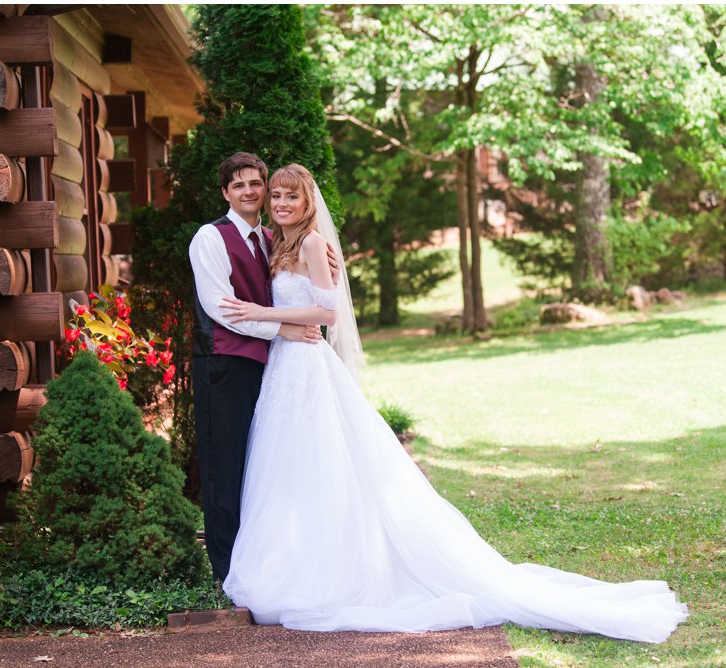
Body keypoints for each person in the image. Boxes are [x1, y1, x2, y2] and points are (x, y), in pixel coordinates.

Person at [220, 164, 688, 642]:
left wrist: (263, 312)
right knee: (289, 467)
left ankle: (325, 572)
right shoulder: (280, 243)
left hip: (308, 370)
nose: (279, 203)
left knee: (319, 462)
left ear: (307, 202)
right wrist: (276, 321)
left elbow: (327, 311)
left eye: (289, 197)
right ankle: (291, 562)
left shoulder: (314, 243)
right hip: (284, 367)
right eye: (274, 195)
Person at [188, 152, 336, 583]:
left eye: (256, 184)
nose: (250, 192)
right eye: (239, 185)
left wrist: (327, 267)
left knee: (264, 466)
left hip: (272, 370)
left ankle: (267, 562)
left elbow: (315, 290)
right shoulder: (210, 238)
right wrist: (283, 330)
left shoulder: (279, 238)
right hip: (225, 363)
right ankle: (227, 571)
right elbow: (220, 307)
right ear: (225, 193)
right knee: (224, 466)